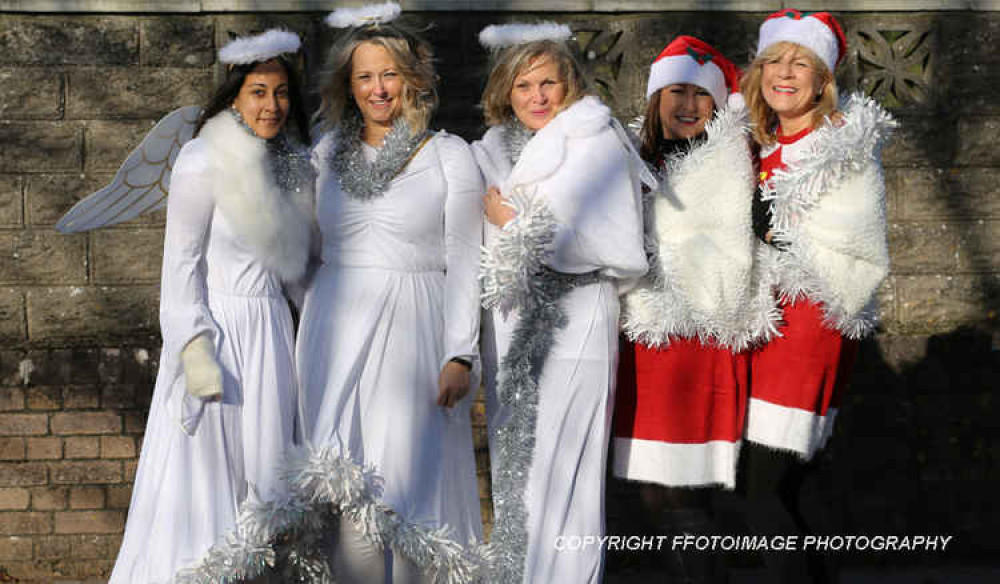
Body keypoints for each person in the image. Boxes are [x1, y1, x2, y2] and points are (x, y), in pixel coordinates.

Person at [287, 3, 485, 582]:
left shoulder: (449, 155)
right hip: (333, 331)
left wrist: (460, 352)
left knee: (408, 482)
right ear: (347, 85)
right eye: (365, 76)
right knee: (344, 480)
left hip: (415, 331)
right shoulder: (323, 156)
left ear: (412, 79)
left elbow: (465, 259)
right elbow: (303, 253)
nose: (378, 89)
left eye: (389, 74)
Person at [108, 30, 314, 583]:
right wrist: (194, 351)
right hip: (217, 334)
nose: (271, 105)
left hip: (271, 332)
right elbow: (180, 266)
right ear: (234, 97)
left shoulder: (295, 163)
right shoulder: (203, 159)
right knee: (206, 479)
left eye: (281, 93)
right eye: (257, 92)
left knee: (267, 478)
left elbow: (299, 274)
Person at [473, 22, 649, 584]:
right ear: (505, 91)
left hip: (578, 317)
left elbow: (609, 239)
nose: (538, 98)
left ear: (568, 85)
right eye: (523, 86)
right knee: (518, 462)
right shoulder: (490, 153)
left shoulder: (596, 139)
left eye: (548, 83)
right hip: (514, 322)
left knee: (569, 465)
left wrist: (514, 224)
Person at [613, 35, 777, 582]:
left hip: (696, 341)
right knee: (653, 485)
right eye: (676, 92)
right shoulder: (635, 159)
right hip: (645, 339)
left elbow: (731, 247)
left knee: (690, 486)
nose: (687, 105)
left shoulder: (732, 159)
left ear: (717, 103)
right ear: (656, 98)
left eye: (700, 96)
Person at [741, 9, 895, 582]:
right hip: (758, 328)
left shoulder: (840, 145)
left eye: (800, 63)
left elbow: (857, 245)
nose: (785, 73)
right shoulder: (758, 144)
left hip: (805, 331)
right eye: (775, 61)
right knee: (782, 492)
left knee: (759, 491)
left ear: (824, 78)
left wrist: (775, 232)